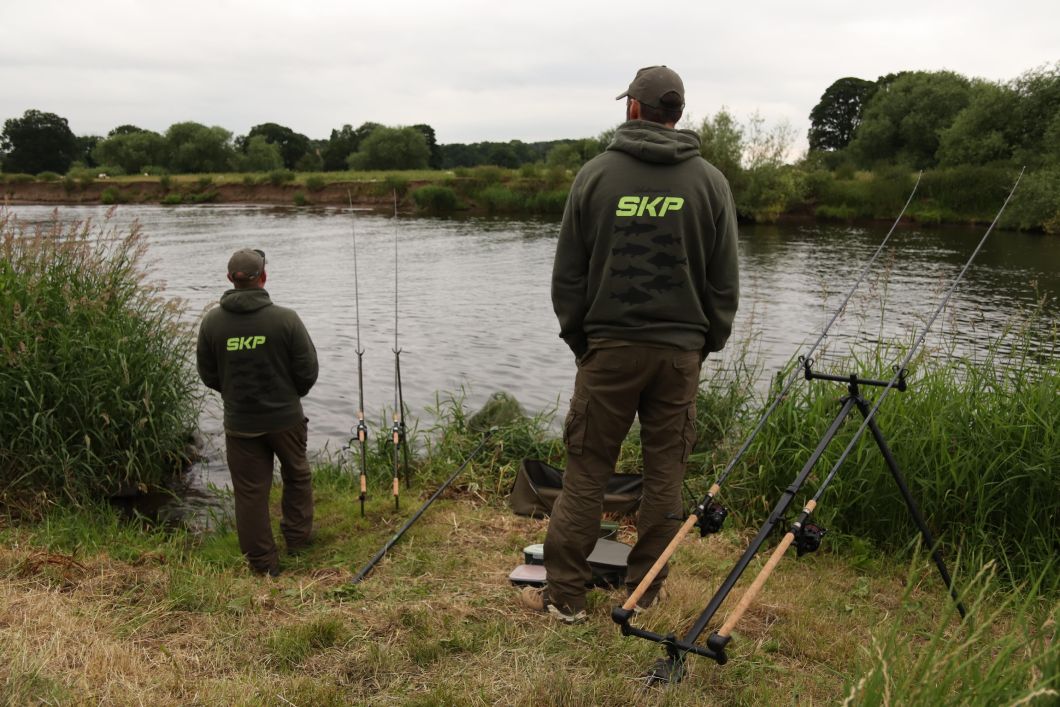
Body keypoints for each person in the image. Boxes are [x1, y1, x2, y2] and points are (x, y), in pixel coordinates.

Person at [521, 66, 740, 623]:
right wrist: (702, 343)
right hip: (679, 353)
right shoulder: (711, 182)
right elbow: (724, 281)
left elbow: (567, 274)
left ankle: (566, 597)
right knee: (666, 475)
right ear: (678, 114)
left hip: (609, 350)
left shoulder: (594, 175)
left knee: (588, 469)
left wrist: (582, 341)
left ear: (634, 109)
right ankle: (644, 592)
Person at [196, 248, 319, 577]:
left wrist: (236, 396)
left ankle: (263, 565)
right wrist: (290, 396)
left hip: (241, 424)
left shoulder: (212, 322)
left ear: (230, 280)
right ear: (263, 277)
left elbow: (208, 375)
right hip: (286, 419)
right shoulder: (286, 319)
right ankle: (298, 538)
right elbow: (307, 371)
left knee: (250, 494)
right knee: (297, 475)